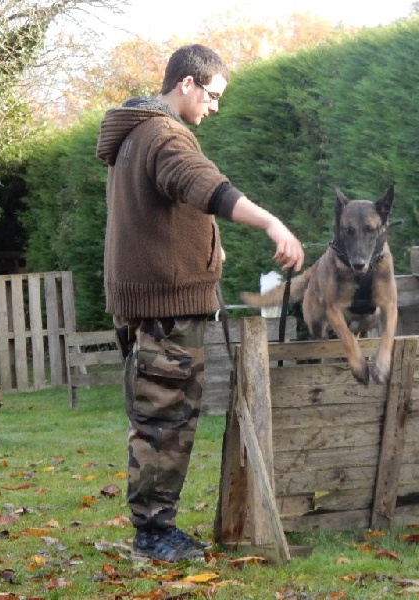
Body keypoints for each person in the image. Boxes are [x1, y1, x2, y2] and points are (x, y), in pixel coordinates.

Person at [96, 44, 304, 563]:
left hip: (146, 303)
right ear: (186, 83)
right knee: (164, 423)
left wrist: (207, 246)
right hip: (165, 312)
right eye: (211, 95)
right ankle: (153, 536)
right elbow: (202, 184)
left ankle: (155, 530)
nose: (214, 107)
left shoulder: (135, 135)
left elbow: (163, 215)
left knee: (157, 418)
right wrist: (271, 223)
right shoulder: (164, 134)